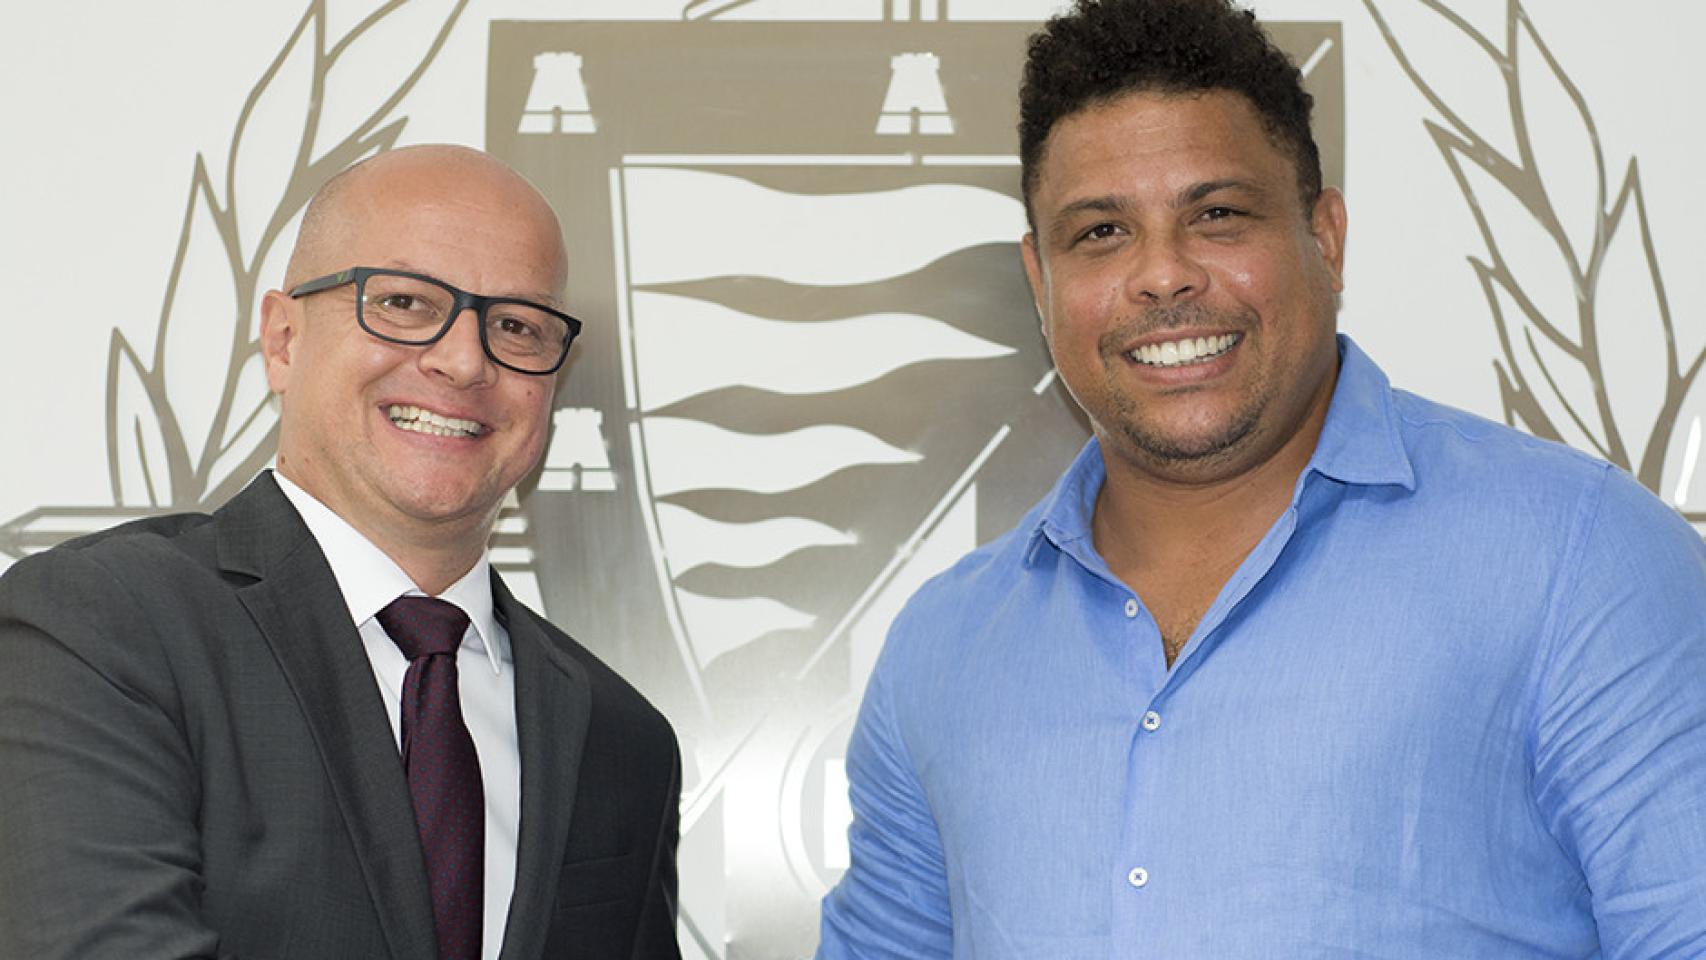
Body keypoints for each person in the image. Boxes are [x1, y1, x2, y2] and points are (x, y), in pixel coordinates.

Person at [816, 1, 1706, 956]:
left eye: (1218, 215)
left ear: (1324, 237)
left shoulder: (1580, 558)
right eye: (1102, 233)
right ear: (1039, 281)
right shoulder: (939, 651)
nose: (1163, 276)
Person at [0, 145, 681, 960]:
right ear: (283, 341)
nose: (463, 361)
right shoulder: (99, 631)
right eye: (401, 301)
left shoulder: (623, 737)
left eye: (516, 326)